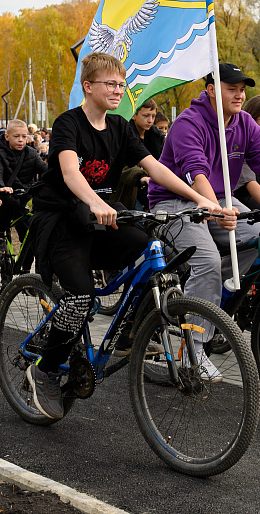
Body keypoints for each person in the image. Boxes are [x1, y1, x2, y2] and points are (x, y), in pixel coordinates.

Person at [21, 52, 225, 420]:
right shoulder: (68, 124)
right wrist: (95, 201)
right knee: (81, 298)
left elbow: (156, 168)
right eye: (110, 84)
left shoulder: (120, 126)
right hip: (63, 220)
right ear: (89, 86)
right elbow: (70, 172)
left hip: (100, 219)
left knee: (149, 248)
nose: (118, 90)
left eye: (121, 84)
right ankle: (45, 369)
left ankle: (128, 328)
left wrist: (199, 199)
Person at [151, 64, 260, 379]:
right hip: (176, 202)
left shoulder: (245, 122)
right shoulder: (187, 123)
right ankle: (194, 350)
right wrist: (214, 209)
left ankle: (203, 293)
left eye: (242, 89)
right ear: (210, 90)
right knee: (206, 260)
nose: (240, 94)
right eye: (231, 88)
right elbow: (196, 173)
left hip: (220, 200)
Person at [0, 119, 46, 251]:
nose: (20, 140)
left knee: (29, 236)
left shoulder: (31, 153)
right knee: (10, 202)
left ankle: (25, 269)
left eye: (24, 136)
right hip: (5, 197)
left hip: (23, 197)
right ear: (7, 137)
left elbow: (45, 169)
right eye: (16, 136)